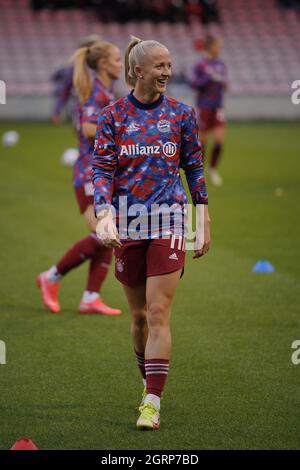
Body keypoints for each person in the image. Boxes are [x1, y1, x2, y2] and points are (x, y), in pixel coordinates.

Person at [92, 36, 210, 430]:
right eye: (159, 66)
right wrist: (104, 214)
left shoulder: (181, 114)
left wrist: (203, 218)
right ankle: (147, 381)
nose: (167, 73)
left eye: (169, 65)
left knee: (159, 311)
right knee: (139, 315)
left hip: (170, 219)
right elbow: (102, 169)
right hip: (128, 221)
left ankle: (152, 402)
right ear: (138, 70)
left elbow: (193, 166)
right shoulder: (112, 115)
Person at [37, 41, 122, 315]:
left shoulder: (106, 91)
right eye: (118, 59)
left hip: (105, 173)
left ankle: (90, 297)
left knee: (108, 234)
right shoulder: (95, 92)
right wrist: (125, 138)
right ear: (104, 64)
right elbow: (88, 128)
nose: (122, 64)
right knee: (105, 233)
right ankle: (50, 278)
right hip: (90, 174)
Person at [190, 33, 227, 186]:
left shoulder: (221, 64)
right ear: (211, 46)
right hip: (204, 106)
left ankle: (213, 170)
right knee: (202, 142)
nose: (220, 48)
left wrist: (222, 83)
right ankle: (200, 171)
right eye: (218, 45)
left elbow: (223, 83)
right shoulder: (200, 65)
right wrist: (208, 79)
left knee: (219, 140)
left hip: (217, 106)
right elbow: (193, 84)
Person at [51, 34, 102, 125]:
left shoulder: (104, 67)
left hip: (103, 110)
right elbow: (65, 91)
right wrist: (57, 111)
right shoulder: (74, 70)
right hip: (83, 111)